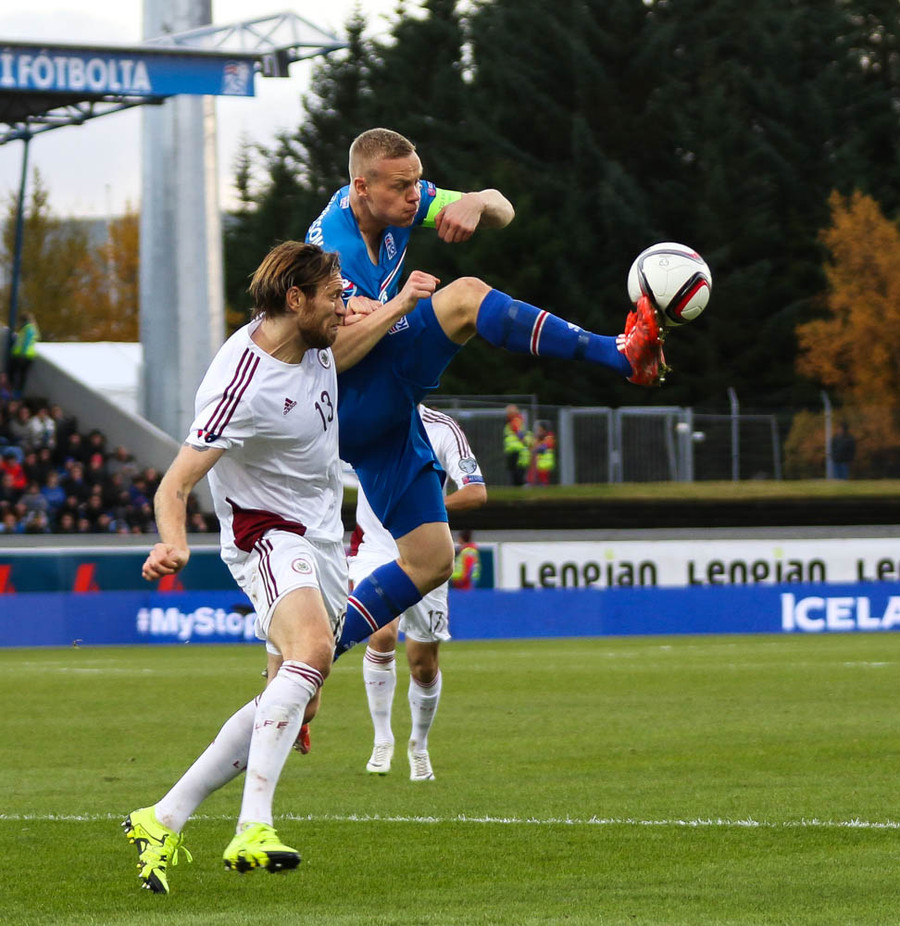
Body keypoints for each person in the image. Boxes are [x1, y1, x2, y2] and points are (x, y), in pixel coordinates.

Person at [307, 127, 668, 658]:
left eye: (418, 182)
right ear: (362, 187)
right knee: (465, 298)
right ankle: (617, 352)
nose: (415, 196)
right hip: (351, 399)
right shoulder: (330, 253)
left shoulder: (403, 202)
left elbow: (504, 209)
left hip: (384, 416)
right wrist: (395, 308)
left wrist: (475, 202)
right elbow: (331, 358)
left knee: (432, 560)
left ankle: (317, 655)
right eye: (402, 186)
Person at [122, 242, 347, 894]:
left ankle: (162, 817)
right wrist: (173, 543)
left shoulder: (313, 336)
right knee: (312, 650)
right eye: (334, 298)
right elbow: (174, 484)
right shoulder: (240, 384)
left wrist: (402, 303)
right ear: (295, 299)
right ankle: (253, 827)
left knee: (299, 699)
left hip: (324, 535)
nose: (344, 307)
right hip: (267, 534)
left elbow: (356, 326)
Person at [350, 405, 486, 780]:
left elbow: (476, 492)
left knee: (423, 664)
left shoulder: (442, 429)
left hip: (426, 550)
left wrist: (422, 510)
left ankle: (419, 745)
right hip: (374, 549)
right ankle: (382, 739)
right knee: (381, 633)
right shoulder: (364, 414)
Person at [8, 312, 40, 395]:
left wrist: (22, 352)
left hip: (22, 355)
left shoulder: (28, 328)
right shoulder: (30, 328)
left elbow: (26, 341)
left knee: (16, 373)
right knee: (21, 375)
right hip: (25, 355)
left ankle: (14, 392)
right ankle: (16, 392)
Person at [503, 404, 529, 486]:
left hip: (515, 449)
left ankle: (520, 484)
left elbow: (518, 432)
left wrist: (523, 441)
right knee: (514, 469)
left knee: (515, 470)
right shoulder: (514, 421)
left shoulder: (515, 421)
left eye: (509, 412)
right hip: (513, 449)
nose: (507, 414)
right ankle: (519, 484)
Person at [528, 422, 557, 486]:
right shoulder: (541, 439)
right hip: (541, 465)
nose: (538, 432)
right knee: (541, 481)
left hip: (546, 464)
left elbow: (543, 448)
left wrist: (535, 448)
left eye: (540, 430)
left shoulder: (549, 437)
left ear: (544, 430)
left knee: (544, 481)